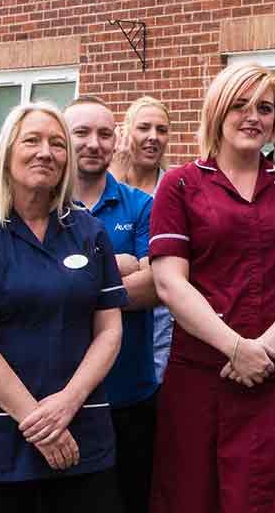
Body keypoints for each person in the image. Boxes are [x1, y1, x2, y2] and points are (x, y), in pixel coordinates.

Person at [147, 63, 275, 513]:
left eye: (265, 108)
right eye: (240, 105)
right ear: (217, 111)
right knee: (193, 497)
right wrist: (234, 348)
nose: (254, 117)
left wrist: (264, 348)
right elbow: (170, 282)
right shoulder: (180, 185)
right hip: (202, 376)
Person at [0, 102, 129, 511]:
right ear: (7, 151)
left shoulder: (89, 233)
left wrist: (67, 404)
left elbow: (110, 331)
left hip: (81, 429)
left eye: (58, 144)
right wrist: (41, 424)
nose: (46, 152)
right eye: (33, 141)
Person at [66, 96, 163, 513]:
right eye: (81, 133)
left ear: (115, 140)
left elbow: (156, 286)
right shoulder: (36, 204)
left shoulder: (140, 206)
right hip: (55, 392)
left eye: (104, 134)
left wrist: (68, 285)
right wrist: (119, 265)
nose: (94, 143)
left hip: (128, 393)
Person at [109, 96, 175, 382]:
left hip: (164, 334)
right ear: (125, 133)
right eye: (143, 128)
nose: (153, 138)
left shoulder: (176, 189)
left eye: (161, 130)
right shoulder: (103, 188)